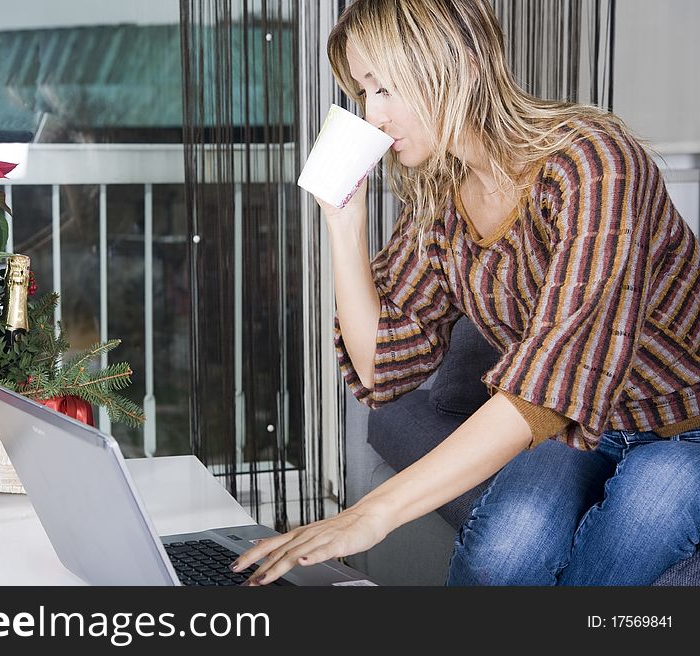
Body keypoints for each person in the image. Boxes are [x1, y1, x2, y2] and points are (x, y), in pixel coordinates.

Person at [232, 0, 700, 586]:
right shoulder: (442, 194)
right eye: (362, 93)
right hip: (581, 427)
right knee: (501, 557)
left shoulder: (594, 164)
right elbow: (382, 368)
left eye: (384, 88)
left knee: (632, 530)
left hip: (684, 425)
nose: (371, 117)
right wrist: (341, 221)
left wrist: (370, 515)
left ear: (459, 65)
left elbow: (555, 380)